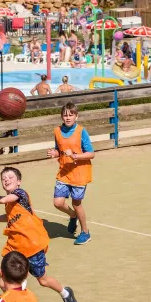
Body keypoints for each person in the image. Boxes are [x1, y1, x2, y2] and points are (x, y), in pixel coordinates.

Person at [0, 167, 79, 302]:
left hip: (32, 245)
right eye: (3, 178)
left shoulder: (20, 194)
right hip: (15, 247)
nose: (6, 179)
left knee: (43, 281)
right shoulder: (9, 204)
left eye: (10, 177)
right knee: (2, 283)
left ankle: (66, 294)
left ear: (19, 182)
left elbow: (4, 199)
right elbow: (11, 216)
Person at [47, 102, 94, 245]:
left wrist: (75, 156)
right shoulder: (57, 131)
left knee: (76, 203)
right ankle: (72, 216)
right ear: (62, 116)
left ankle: (85, 232)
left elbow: (91, 154)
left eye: (71, 115)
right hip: (64, 172)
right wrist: (54, 153)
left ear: (76, 116)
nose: (68, 118)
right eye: (65, 115)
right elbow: (59, 150)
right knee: (58, 202)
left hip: (79, 174)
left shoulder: (81, 132)